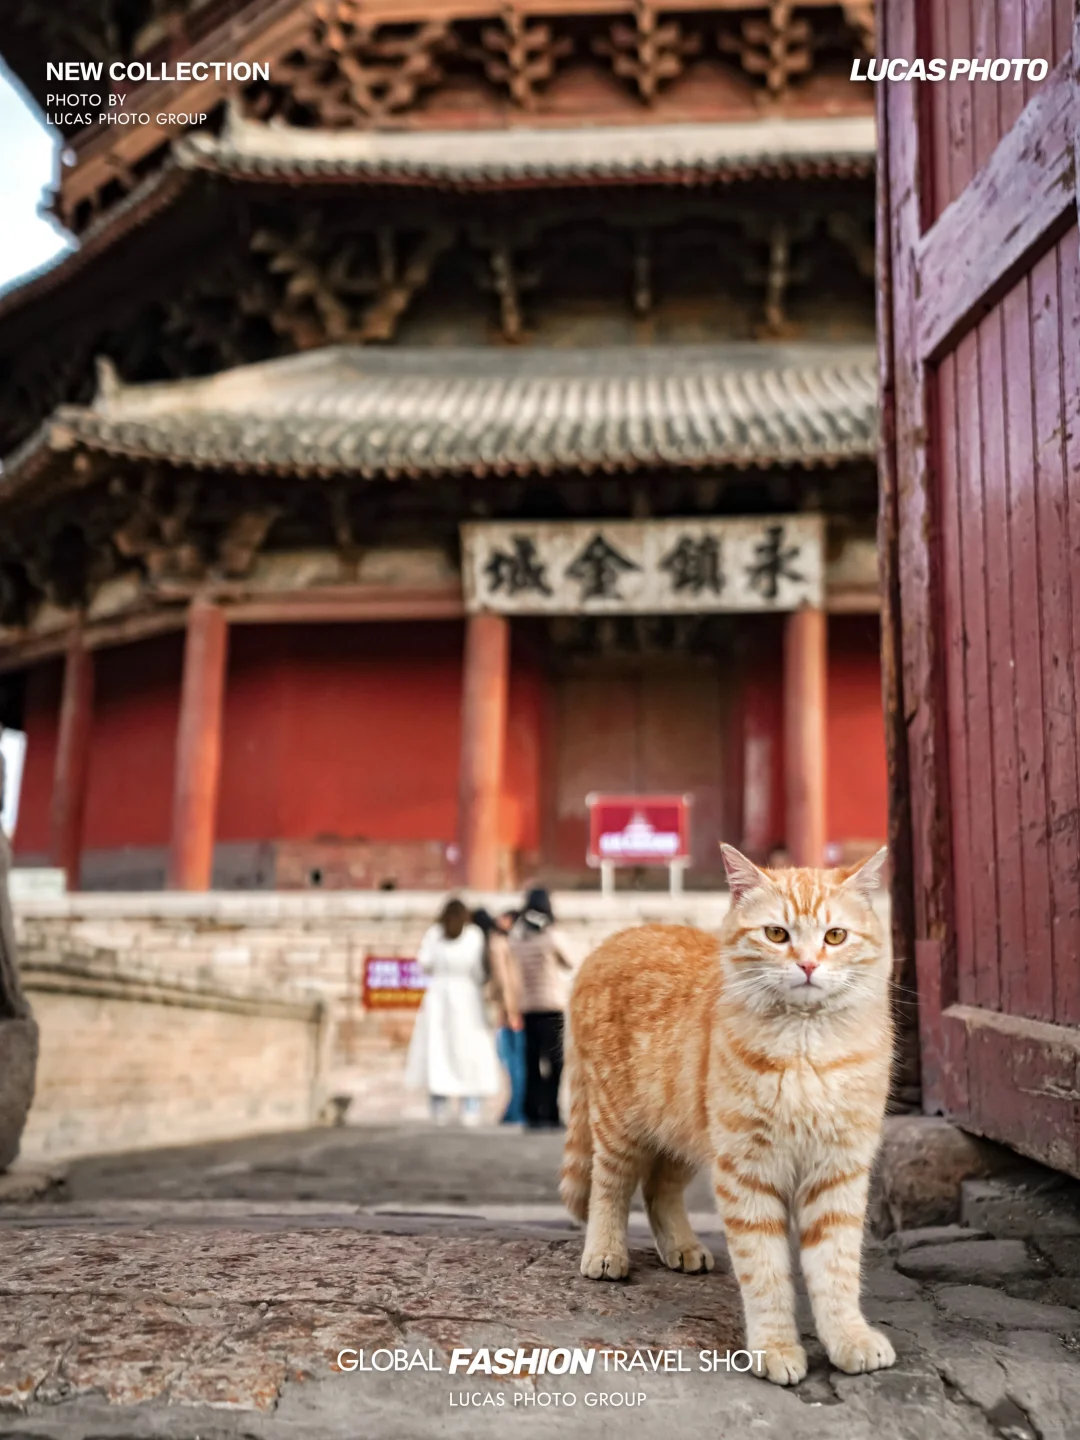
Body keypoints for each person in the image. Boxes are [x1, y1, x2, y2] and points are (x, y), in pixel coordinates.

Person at [404, 897, 501, 1125]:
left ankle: (439, 1106)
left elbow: (424, 963)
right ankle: (471, 1107)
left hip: (439, 996)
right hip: (467, 996)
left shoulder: (434, 934)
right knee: (470, 1050)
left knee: (438, 1049)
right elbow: (478, 971)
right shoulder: (474, 935)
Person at [507, 887, 576, 1130]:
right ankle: (552, 1112)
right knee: (556, 1063)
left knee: (531, 1061)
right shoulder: (552, 935)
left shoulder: (517, 937)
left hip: (528, 1005)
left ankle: (532, 1112)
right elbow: (571, 961)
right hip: (552, 1005)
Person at [474, 908, 526, 1126]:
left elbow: (505, 982)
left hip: (507, 1012)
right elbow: (507, 982)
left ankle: (515, 1109)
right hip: (511, 1010)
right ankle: (516, 1108)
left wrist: (510, 1012)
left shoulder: (497, 943)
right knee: (515, 1062)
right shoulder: (505, 942)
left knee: (513, 1063)